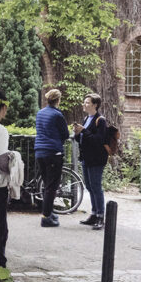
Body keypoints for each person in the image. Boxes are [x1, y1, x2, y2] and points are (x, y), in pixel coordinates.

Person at [0, 90, 20, 282]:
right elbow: (0, 161)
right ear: (2, 108)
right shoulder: (0, 130)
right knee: (0, 231)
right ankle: (0, 274)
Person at [72, 93, 110, 230]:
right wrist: (77, 133)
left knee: (96, 186)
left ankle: (100, 216)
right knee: (89, 186)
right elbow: (81, 139)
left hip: (96, 159)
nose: (84, 104)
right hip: (86, 158)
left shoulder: (100, 120)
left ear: (95, 105)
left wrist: (84, 131)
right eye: (84, 102)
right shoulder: (86, 118)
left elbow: (98, 140)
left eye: (87, 102)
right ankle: (94, 214)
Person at [34, 88, 70, 227]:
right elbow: (65, 134)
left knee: (46, 185)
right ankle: (46, 217)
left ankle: (49, 212)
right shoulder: (57, 115)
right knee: (51, 187)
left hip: (40, 152)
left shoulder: (40, 113)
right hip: (53, 153)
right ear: (58, 100)